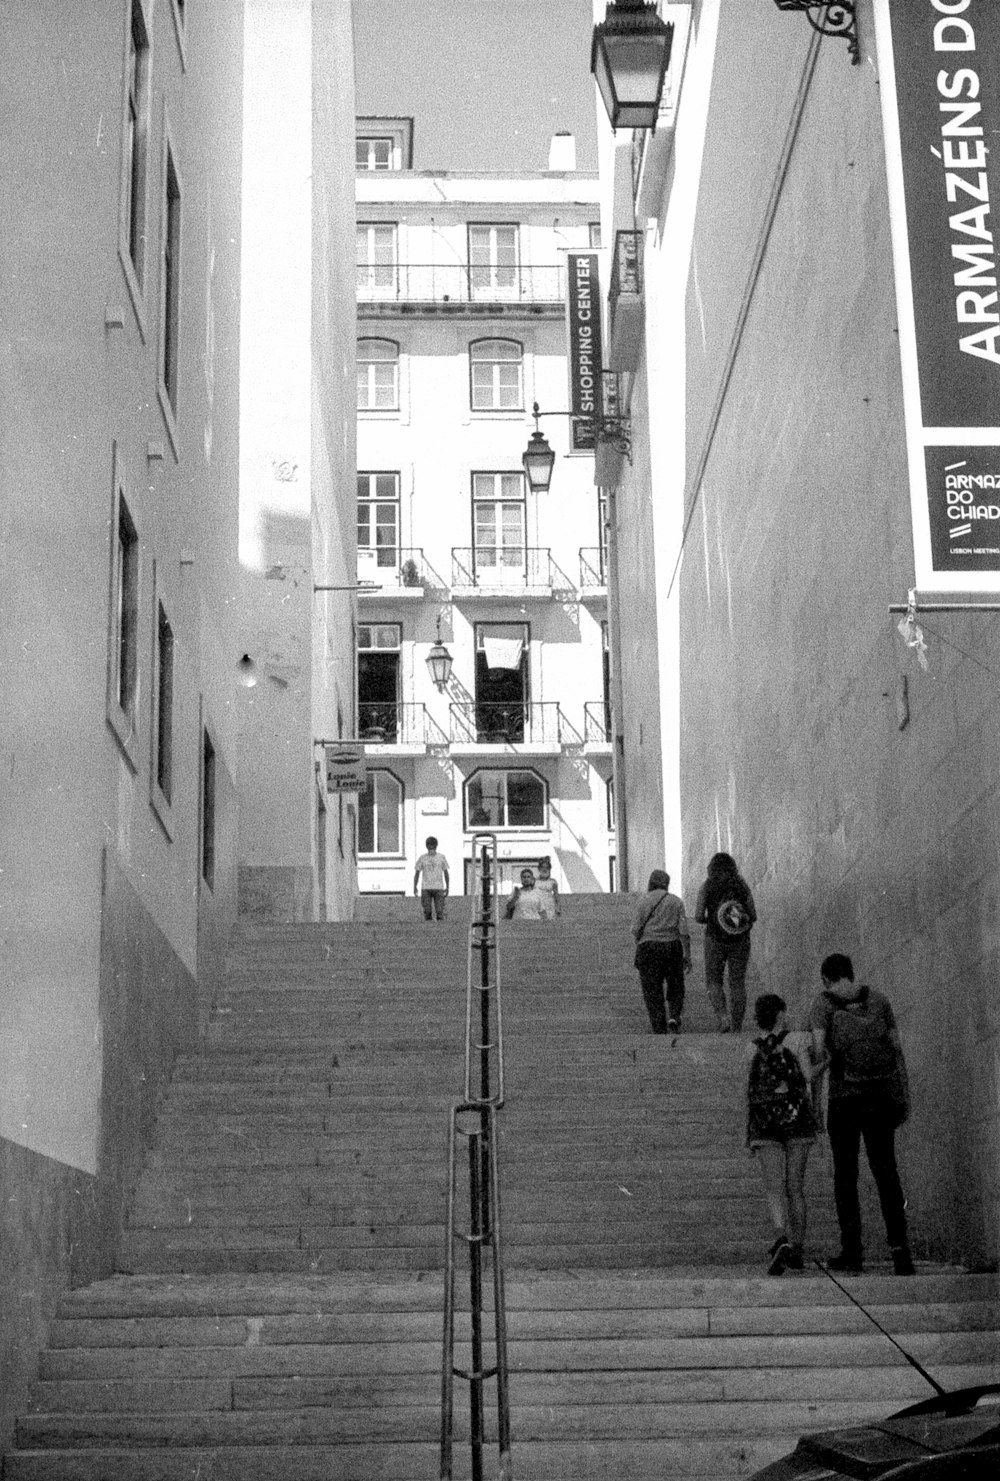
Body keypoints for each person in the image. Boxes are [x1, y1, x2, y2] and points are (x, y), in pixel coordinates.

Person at [808, 953, 914, 1276]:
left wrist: (816, 1102)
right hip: (880, 1097)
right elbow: (896, 1049)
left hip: (845, 1100)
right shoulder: (879, 1000)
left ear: (826, 979)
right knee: (886, 1173)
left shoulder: (823, 1004)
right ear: (852, 974)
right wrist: (903, 1094)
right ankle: (900, 1252)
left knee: (845, 1177)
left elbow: (818, 1051)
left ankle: (853, 1253)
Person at [746, 993, 818, 1275]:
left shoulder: (750, 1049)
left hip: (764, 1124)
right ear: (780, 1014)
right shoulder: (798, 1040)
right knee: (795, 1188)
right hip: (798, 1119)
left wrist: (748, 1133)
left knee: (774, 1189)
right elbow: (808, 1077)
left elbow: (748, 1093)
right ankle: (798, 1249)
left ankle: (781, 1238)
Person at [694, 852, 757, 1032]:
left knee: (714, 980)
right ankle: (737, 1027)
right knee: (737, 982)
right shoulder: (741, 886)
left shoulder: (707, 886)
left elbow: (698, 916)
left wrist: (714, 920)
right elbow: (753, 915)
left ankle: (723, 1018)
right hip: (740, 939)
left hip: (714, 938)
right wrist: (735, 921)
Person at [631, 870, 692, 1034]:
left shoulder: (643, 901)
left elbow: (635, 929)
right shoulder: (676, 901)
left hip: (648, 947)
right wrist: (687, 955)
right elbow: (684, 931)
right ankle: (673, 1016)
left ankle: (659, 1026)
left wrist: (641, 941)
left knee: (652, 989)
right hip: (672, 946)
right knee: (676, 985)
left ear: (650, 883)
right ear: (667, 884)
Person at [413, 837, 449, 921]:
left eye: (433, 845)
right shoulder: (422, 858)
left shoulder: (441, 857)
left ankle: (440, 931)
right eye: (429, 845)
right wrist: (415, 886)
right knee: (427, 911)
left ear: (436, 846)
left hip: (439, 888)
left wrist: (447, 887)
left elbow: (446, 872)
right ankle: (429, 930)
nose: (431, 847)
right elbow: (417, 873)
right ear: (426, 846)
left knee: (440, 912)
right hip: (426, 888)